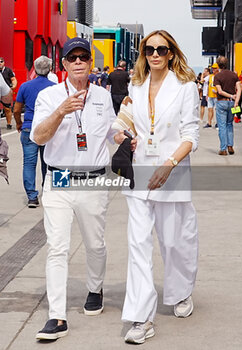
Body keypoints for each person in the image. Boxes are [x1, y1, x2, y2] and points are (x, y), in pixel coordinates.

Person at [30, 37, 135, 340]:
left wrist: (120, 135)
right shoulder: (50, 97)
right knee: (57, 247)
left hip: (93, 180)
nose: (78, 62)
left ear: (90, 64)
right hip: (59, 180)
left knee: (95, 244)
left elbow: (112, 129)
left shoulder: (102, 95)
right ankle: (57, 317)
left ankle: (95, 288)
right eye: (71, 57)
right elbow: (38, 137)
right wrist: (61, 111)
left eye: (83, 57)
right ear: (62, 64)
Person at [121, 29, 199, 344]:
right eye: (150, 49)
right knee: (138, 246)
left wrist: (168, 166)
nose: (155, 54)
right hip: (140, 172)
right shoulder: (135, 86)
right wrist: (125, 136)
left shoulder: (186, 87)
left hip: (173, 172)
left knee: (174, 242)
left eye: (161, 49)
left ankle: (181, 292)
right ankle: (141, 318)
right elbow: (127, 124)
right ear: (144, 53)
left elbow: (191, 135)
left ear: (171, 53)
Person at [13, 56, 55, 208]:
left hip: (29, 127)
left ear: (35, 69)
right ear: (50, 69)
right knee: (48, 162)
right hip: (47, 128)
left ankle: (32, 197)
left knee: (29, 163)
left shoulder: (25, 86)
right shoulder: (54, 87)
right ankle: (47, 192)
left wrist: (19, 123)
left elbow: (17, 109)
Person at [214, 56, 242, 155]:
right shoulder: (234, 75)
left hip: (221, 102)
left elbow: (219, 91)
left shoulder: (217, 76)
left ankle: (223, 149)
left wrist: (230, 96)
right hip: (231, 103)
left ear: (218, 64)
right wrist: (236, 101)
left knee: (222, 126)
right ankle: (230, 146)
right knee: (229, 124)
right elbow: (239, 89)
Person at [0, 57, 17, 129]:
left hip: (6, 92)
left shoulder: (8, 70)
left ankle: (9, 123)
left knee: (7, 109)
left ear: (4, 62)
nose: (0, 63)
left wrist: (13, 86)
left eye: (1, 61)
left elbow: (13, 79)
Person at [204, 63, 219, 128]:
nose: (213, 69)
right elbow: (205, 83)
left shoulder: (219, 76)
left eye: (215, 68)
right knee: (210, 109)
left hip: (217, 96)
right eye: (213, 68)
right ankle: (209, 123)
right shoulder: (210, 76)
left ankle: (217, 123)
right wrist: (207, 94)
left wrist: (218, 92)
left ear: (218, 69)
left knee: (217, 110)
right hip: (210, 95)